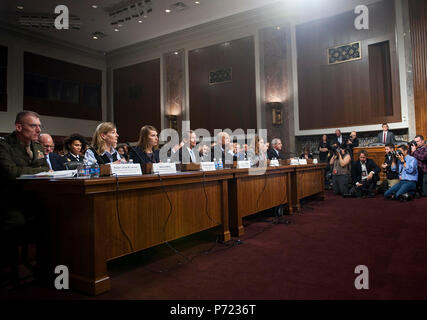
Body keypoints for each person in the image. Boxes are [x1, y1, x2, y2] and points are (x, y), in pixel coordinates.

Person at [0, 111, 49, 282]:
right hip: (9, 200)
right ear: (19, 127)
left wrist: (41, 170)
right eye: (33, 125)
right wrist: (41, 171)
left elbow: (45, 167)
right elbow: (11, 172)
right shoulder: (4, 145)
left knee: (54, 217)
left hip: (32, 197)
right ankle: (8, 267)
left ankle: (45, 265)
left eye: (39, 126)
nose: (38, 130)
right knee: (17, 222)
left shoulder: (37, 146)